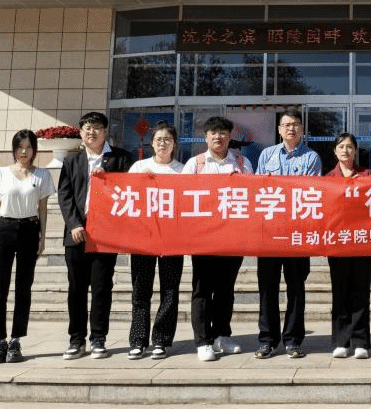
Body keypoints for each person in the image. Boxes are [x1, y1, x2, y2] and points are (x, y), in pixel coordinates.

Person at [57, 110, 134, 360]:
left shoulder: (121, 158)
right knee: (76, 289)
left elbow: (131, 191)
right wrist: (73, 224)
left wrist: (109, 180)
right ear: (81, 132)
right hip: (77, 233)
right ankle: (76, 340)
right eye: (87, 128)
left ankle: (98, 338)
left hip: (105, 234)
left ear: (105, 131)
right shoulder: (72, 160)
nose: (92, 132)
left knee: (102, 287)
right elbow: (65, 195)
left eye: (97, 127)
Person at [254, 108, 322, 359]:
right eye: (286, 125)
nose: (291, 128)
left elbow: (311, 191)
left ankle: (293, 340)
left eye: (295, 124)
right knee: (267, 288)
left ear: (302, 129)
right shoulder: (267, 155)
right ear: (279, 129)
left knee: (296, 288)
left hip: (297, 233)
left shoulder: (311, 157)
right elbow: (258, 190)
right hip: (269, 233)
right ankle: (267, 340)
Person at [183, 115, 253, 362]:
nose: (218, 137)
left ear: (230, 136)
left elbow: (252, 196)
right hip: (203, 237)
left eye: (223, 132)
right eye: (213, 132)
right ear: (206, 137)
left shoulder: (242, 163)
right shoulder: (195, 164)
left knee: (225, 289)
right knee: (202, 289)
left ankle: (222, 335)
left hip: (233, 237)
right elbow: (182, 197)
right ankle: (203, 341)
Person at [0, 129, 55, 364]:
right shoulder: (0, 173)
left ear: (34, 150)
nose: (24, 152)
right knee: (0, 288)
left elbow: (43, 209)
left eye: (28, 147)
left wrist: (43, 237)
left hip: (29, 230)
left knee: (23, 289)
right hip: (4, 230)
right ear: (14, 149)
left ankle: (15, 341)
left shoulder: (42, 175)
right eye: (19, 147)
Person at [126, 122, 185, 361]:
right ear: (151, 143)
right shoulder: (139, 167)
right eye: (158, 139)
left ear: (174, 144)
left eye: (167, 139)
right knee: (141, 290)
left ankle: (161, 339)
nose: (163, 143)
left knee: (169, 290)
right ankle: (138, 340)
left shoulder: (183, 171)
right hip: (143, 237)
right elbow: (127, 195)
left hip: (172, 238)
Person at [326, 132, 371, 359]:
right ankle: (341, 341)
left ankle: (361, 341)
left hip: (362, 241)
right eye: (341, 147)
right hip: (338, 243)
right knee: (340, 292)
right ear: (335, 151)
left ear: (355, 151)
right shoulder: (328, 178)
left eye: (349, 147)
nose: (345, 150)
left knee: (361, 291)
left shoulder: (367, 175)